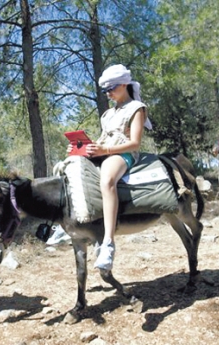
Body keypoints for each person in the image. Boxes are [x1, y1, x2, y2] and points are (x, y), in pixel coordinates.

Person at [70, 64, 151, 270]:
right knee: (69, 166)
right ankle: (69, 221)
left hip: (123, 153)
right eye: (105, 91)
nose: (108, 94)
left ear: (124, 84)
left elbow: (135, 143)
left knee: (107, 180)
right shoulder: (107, 114)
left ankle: (108, 242)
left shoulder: (137, 108)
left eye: (112, 89)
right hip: (105, 150)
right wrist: (88, 148)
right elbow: (103, 139)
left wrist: (105, 151)